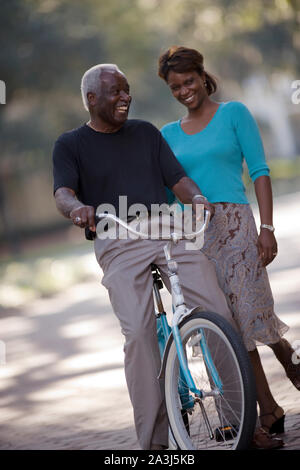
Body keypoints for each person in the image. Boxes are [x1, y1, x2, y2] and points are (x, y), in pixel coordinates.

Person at [52, 63, 242, 450]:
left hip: (167, 229)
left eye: (127, 90)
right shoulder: (70, 144)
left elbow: (177, 179)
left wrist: (198, 198)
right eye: (116, 92)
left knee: (217, 310)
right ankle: (153, 446)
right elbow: (63, 192)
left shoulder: (145, 133)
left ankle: (241, 420)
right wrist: (77, 208)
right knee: (139, 334)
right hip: (115, 237)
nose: (126, 97)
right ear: (91, 99)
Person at [158, 45, 300, 447]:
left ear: (203, 75)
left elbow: (260, 171)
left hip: (237, 227)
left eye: (189, 81)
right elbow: (170, 194)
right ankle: (268, 408)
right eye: (175, 86)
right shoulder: (167, 134)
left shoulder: (234, 113)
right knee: (231, 327)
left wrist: (267, 228)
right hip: (196, 236)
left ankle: (291, 361)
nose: (184, 90)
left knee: (256, 314)